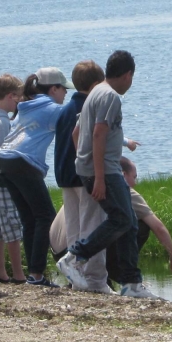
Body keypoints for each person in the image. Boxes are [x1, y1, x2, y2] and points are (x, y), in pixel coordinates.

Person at [57, 50, 160, 299]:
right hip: (104, 170)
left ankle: (131, 283)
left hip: (97, 168)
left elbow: (76, 133)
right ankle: (74, 257)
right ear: (127, 75)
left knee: (130, 222)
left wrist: (81, 161)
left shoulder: (95, 92)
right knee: (122, 219)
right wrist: (99, 176)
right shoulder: (111, 97)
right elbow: (98, 134)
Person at [0, 67, 74, 287]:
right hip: (23, 162)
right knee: (45, 216)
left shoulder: (26, 105)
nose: (66, 94)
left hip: (5, 159)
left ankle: (33, 275)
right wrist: (124, 142)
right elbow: (85, 127)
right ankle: (37, 274)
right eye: (63, 89)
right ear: (53, 89)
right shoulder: (52, 109)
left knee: (29, 219)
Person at [54, 60, 112, 293]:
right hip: (84, 175)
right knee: (92, 226)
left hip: (65, 176)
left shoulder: (65, 110)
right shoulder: (90, 108)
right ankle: (96, 279)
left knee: (74, 227)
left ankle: (75, 276)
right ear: (97, 84)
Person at [105, 157, 172, 287]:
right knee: (142, 225)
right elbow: (158, 227)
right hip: (89, 254)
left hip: (65, 251)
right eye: (134, 177)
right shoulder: (126, 192)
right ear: (123, 175)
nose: (135, 183)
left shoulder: (93, 186)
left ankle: (104, 275)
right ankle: (121, 272)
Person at [0, 74, 27, 284]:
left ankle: (1, 271)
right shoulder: (2, 124)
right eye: (18, 97)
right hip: (4, 180)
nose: (19, 101)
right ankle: (18, 274)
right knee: (12, 226)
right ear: (10, 96)